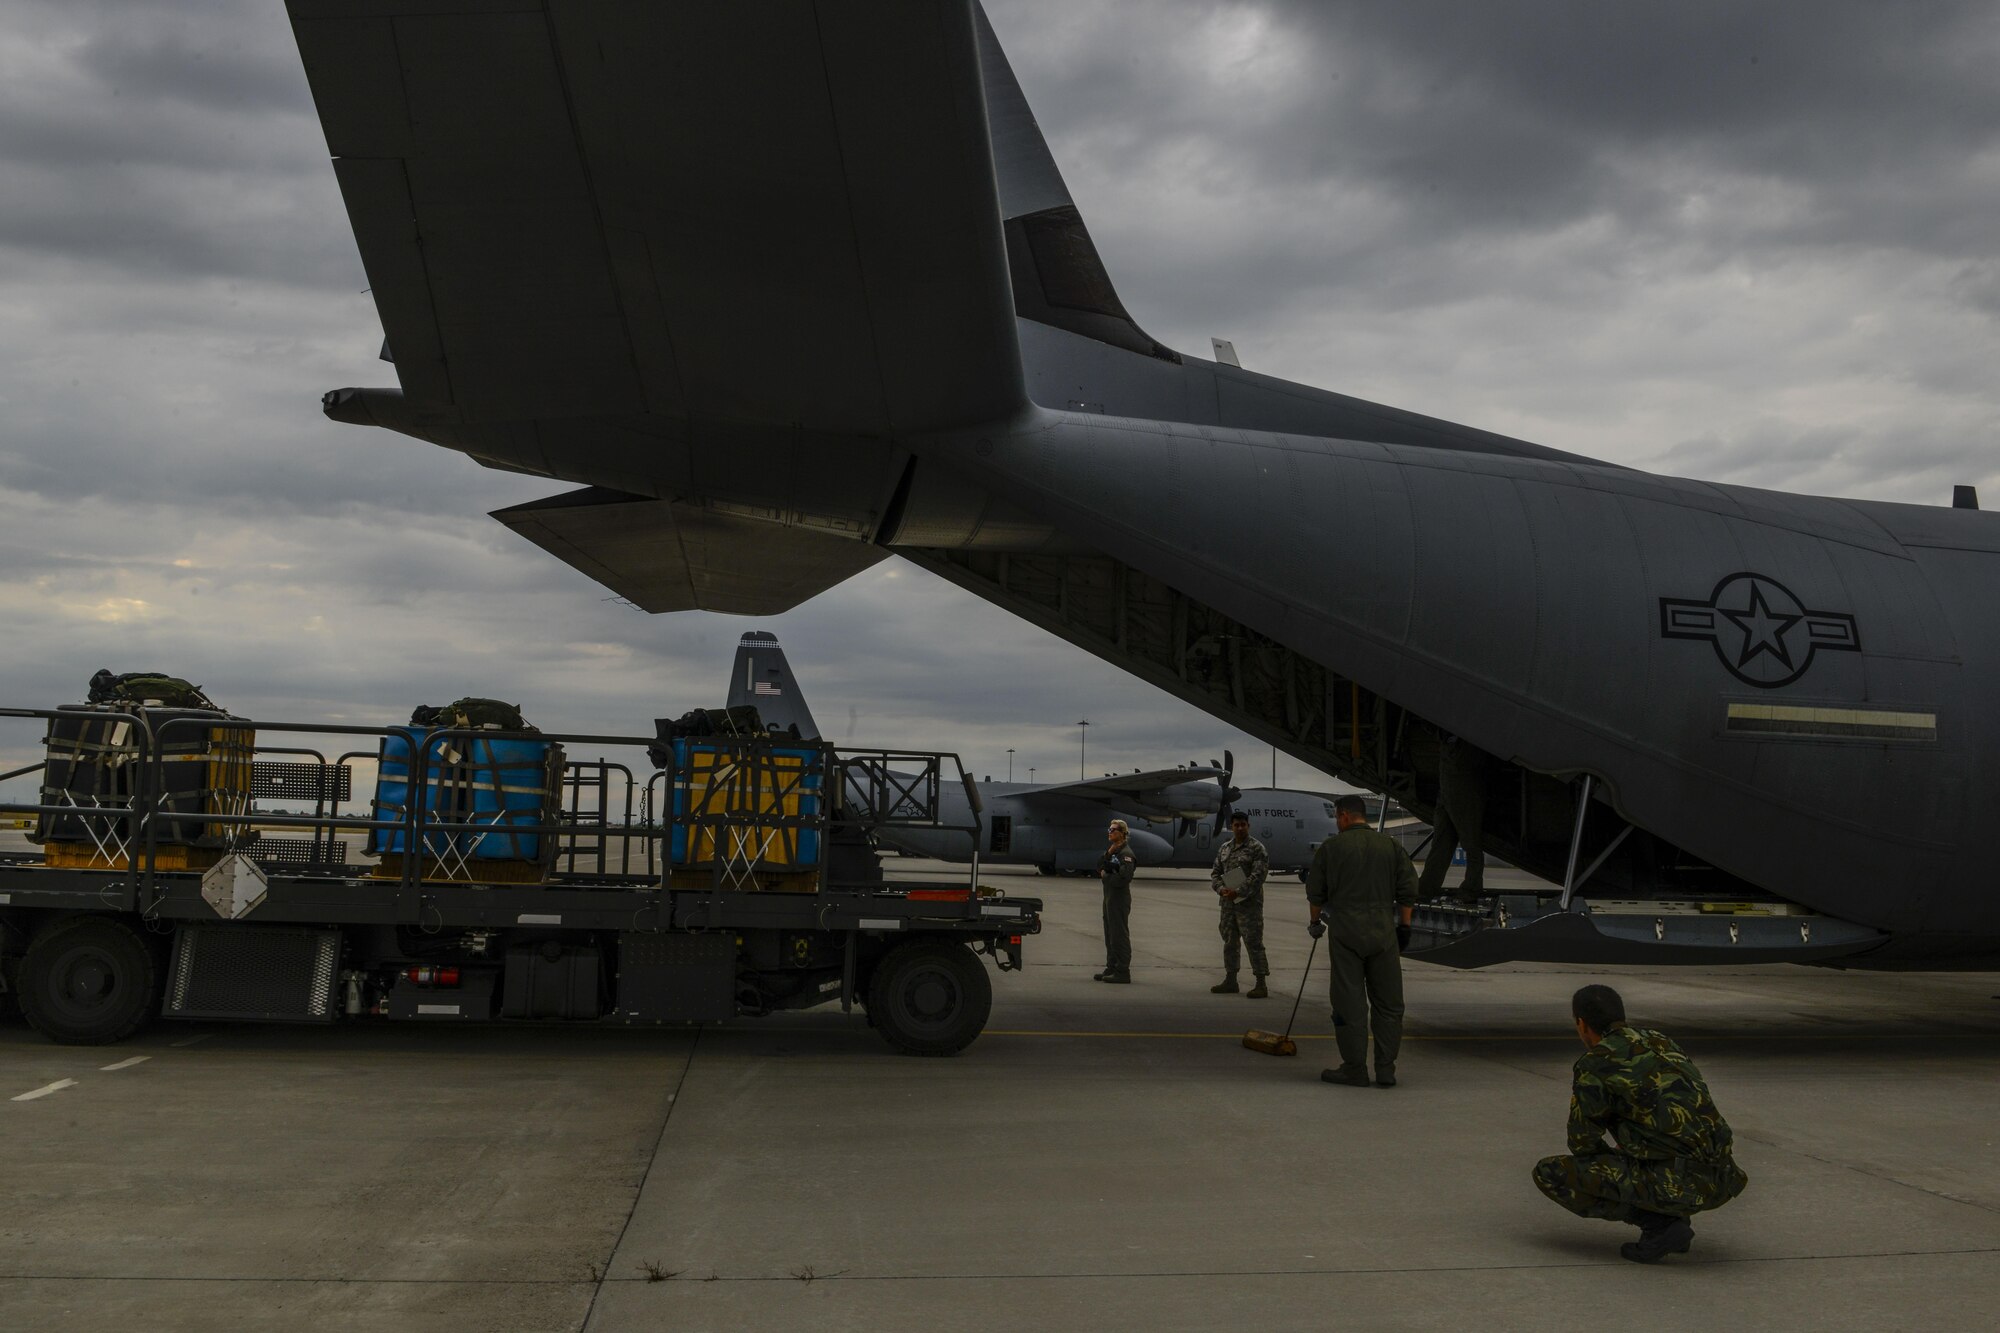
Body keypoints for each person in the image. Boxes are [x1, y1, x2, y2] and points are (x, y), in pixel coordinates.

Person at [1533, 984, 1749, 1263]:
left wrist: (1620, 1158)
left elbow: (1582, 1141)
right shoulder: (1661, 1041)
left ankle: (1660, 1225)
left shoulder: (1596, 1064)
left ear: (1581, 1023)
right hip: (1722, 1177)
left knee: (1549, 1173)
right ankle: (1670, 1215)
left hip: (1678, 1185)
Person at [1305, 794, 1417, 1087]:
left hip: (1345, 933)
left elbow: (1315, 893)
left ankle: (1354, 1068)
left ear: (1343, 816)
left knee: (1349, 1004)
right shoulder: (1391, 846)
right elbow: (1407, 890)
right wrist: (1403, 927)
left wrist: (1315, 923)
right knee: (1389, 1004)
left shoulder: (1331, 848)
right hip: (1383, 932)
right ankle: (1385, 1069)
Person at [1416, 730, 1488, 905]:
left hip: (1464, 794)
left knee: (1470, 845)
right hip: (1448, 794)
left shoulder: (1469, 741)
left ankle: (1470, 889)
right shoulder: (1453, 737)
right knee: (1442, 846)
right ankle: (1426, 889)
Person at [1208, 811, 1270, 997]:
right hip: (1228, 904)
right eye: (1237, 825)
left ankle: (1261, 983)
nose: (1240, 828)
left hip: (1248, 905)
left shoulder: (1257, 848)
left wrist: (1239, 891)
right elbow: (1215, 873)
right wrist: (1221, 890)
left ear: (1248, 826)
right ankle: (1231, 980)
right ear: (1232, 826)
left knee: (1253, 942)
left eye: (1243, 824)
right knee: (1230, 942)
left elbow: (1258, 876)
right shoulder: (1225, 848)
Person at [1094, 819, 1136, 983]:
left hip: (1118, 898)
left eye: (1113, 829)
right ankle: (1111, 967)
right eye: (1109, 829)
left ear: (1122, 833)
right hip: (1109, 897)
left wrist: (1106, 876)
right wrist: (1108, 854)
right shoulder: (1114, 851)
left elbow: (1124, 878)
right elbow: (1099, 865)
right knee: (1110, 934)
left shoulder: (1126, 854)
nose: (1109, 832)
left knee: (1119, 935)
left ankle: (1122, 971)